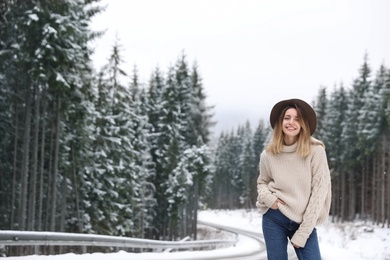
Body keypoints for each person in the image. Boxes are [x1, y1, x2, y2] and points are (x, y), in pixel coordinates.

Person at [256, 98, 331, 260]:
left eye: (297, 119)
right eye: (287, 118)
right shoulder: (268, 154)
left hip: (305, 220)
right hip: (275, 218)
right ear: (280, 122)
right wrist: (268, 198)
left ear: (303, 124)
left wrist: (303, 232)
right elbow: (262, 181)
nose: (291, 122)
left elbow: (319, 193)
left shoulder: (316, 151)